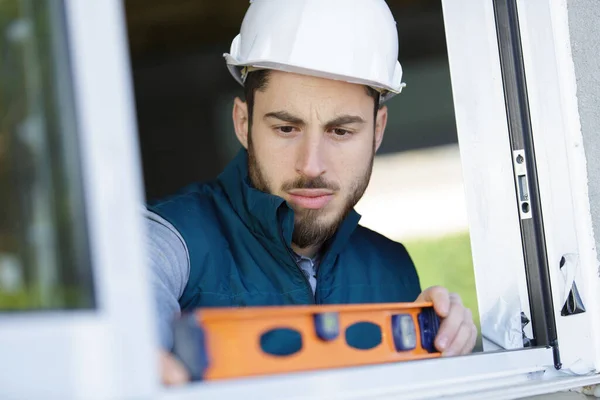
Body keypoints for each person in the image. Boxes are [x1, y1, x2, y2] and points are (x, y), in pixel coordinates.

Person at [147, 0, 477, 385]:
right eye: (287, 129)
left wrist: (440, 342)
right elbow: (131, 299)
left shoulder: (393, 270)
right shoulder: (171, 238)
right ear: (243, 122)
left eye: (341, 131)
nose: (312, 164)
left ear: (378, 130)